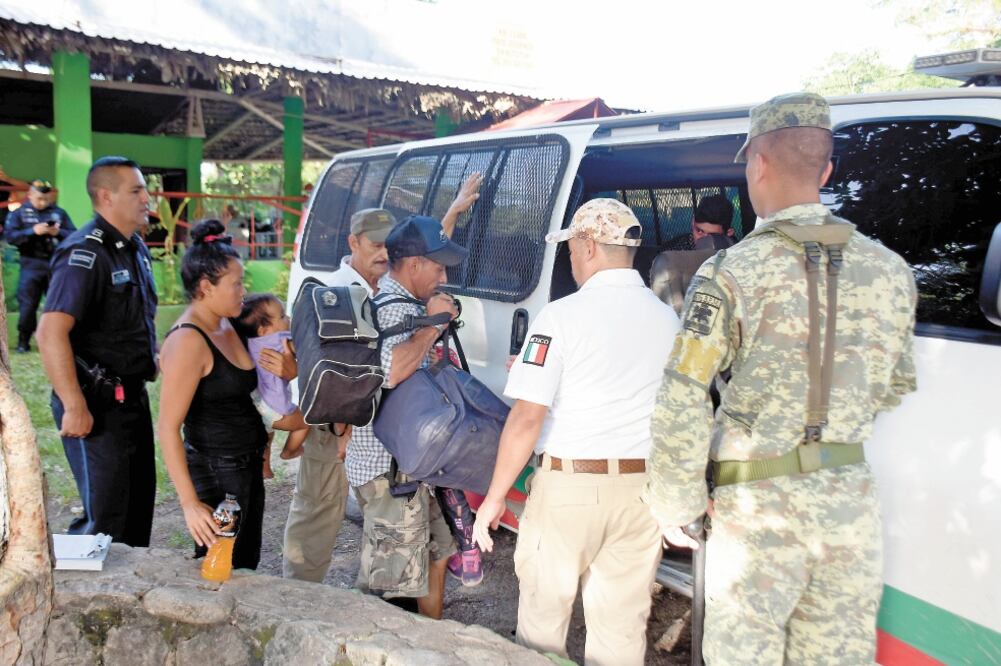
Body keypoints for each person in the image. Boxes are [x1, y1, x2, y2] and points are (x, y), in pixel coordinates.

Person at [643, 93, 918, 664]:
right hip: (849, 507)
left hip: (755, 513)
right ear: (826, 170)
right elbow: (891, 387)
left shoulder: (730, 270)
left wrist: (676, 504)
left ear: (757, 165)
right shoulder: (891, 271)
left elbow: (683, 395)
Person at [473, 198, 680, 666]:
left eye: (570, 249)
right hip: (640, 493)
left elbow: (527, 418)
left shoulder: (561, 316)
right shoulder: (668, 319)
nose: (571, 259)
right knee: (622, 631)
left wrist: (494, 497)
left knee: (543, 630)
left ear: (588, 245)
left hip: (570, 490)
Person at [282, 172, 482, 584]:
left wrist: (453, 211)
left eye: (387, 246)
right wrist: (341, 431)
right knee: (320, 516)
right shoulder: (343, 292)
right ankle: (298, 598)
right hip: (332, 423)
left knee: (395, 554)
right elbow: (382, 369)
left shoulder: (389, 288)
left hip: (364, 426)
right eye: (375, 245)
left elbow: (425, 256)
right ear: (353, 243)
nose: (382, 253)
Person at [347, 214, 467, 619]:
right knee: (390, 589)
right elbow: (393, 369)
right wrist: (433, 326)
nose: (443, 274)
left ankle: (431, 639)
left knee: (437, 554)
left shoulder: (410, 307)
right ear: (414, 264)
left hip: (409, 473)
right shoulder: (389, 310)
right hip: (387, 476)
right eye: (438, 266)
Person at [37, 157, 158, 547]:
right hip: (95, 401)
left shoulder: (134, 247)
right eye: (136, 190)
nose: (146, 198)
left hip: (131, 396)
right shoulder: (84, 253)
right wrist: (74, 404)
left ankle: (130, 602)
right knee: (105, 516)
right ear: (106, 196)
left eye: (145, 189)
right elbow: (51, 332)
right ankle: (90, 602)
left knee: (138, 507)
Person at [157, 220, 270, 569]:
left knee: (246, 563)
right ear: (206, 286)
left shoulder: (227, 322)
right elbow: (166, 428)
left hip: (245, 468)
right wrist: (190, 503)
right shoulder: (188, 340)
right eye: (236, 283)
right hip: (217, 476)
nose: (243, 290)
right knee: (221, 568)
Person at [233, 293, 311, 476]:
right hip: (274, 404)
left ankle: (265, 468)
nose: (289, 318)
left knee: (267, 435)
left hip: (258, 400)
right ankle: (290, 451)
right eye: (283, 316)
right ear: (263, 330)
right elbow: (301, 347)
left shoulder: (251, 341)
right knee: (306, 421)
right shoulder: (278, 338)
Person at [5, 179, 75, 352]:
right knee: (28, 305)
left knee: (60, 305)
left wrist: (58, 232)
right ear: (30, 196)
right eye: (39, 199)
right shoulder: (19, 214)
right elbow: (11, 237)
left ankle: (62, 341)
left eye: (46, 199)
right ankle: (23, 342)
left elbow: (74, 235)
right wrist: (33, 231)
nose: (43, 202)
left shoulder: (59, 213)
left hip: (55, 265)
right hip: (31, 265)